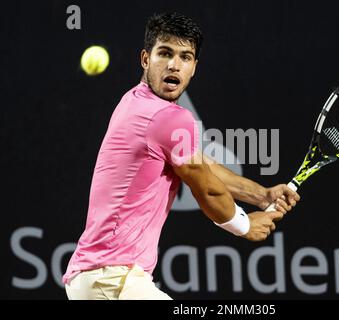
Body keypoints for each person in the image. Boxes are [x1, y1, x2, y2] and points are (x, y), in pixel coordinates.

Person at [63, 12, 300, 300]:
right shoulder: (168, 117)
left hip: (98, 280)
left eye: (185, 57)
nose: (174, 65)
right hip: (112, 280)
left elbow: (200, 164)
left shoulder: (134, 101)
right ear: (145, 59)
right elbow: (208, 190)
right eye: (165, 53)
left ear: (194, 67)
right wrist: (245, 225)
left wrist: (261, 195)